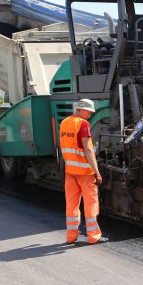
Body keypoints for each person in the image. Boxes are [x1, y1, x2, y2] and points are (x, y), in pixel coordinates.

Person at [60, 99, 107, 244]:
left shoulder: (64, 123)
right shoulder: (83, 124)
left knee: (72, 204)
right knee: (90, 203)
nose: (90, 115)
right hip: (85, 172)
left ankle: (71, 236)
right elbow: (87, 149)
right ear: (81, 110)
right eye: (89, 112)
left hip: (70, 172)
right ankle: (94, 236)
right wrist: (97, 172)